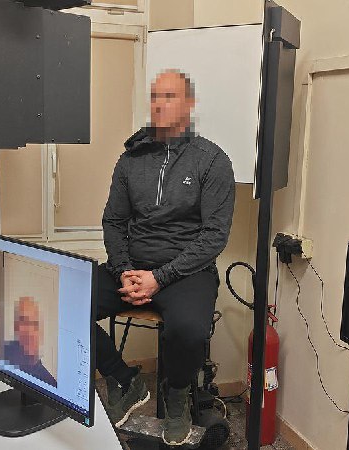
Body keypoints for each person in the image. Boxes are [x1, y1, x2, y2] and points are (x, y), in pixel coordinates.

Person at [96, 69, 235, 446]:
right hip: (131, 268)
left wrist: (160, 277)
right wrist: (124, 271)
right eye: (155, 97)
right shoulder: (131, 160)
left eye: (169, 97)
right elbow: (113, 222)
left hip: (186, 272)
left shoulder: (212, 160)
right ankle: (123, 379)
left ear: (189, 104)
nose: (159, 104)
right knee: (65, 301)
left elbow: (214, 236)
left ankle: (176, 396)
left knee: (190, 330)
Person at [2, 296, 57, 387]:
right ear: (16, 326)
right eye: (24, 322)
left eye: (34, 324)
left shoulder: (49, 383)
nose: (29, 331)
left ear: (41, 332)